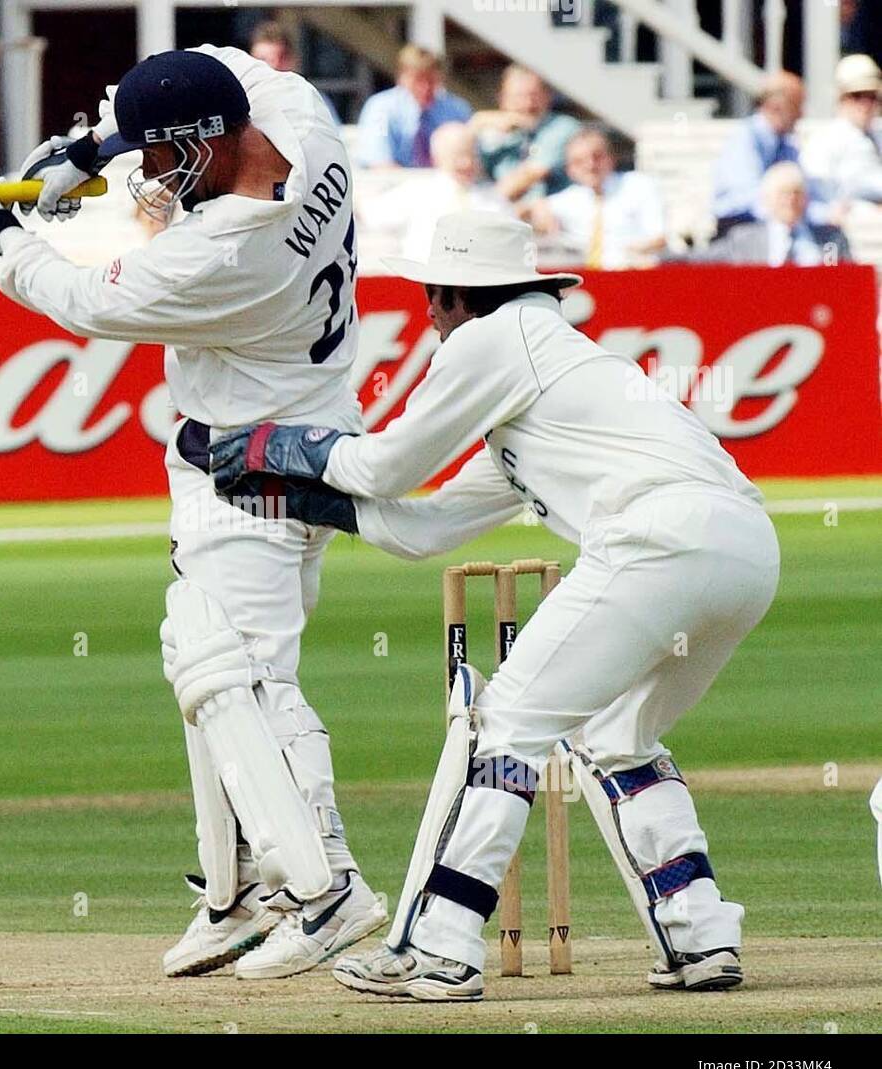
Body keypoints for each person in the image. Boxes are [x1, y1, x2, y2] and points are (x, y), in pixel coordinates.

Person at [209, 211, 780, 1001]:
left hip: (657, 539)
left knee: (504, 726)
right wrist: (307, 501)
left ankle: (441, 945)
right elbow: (429, 525)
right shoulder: (548, 377)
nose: (428, 317)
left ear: (455, 295)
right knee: (618, 735)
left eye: (432, 300)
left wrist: (279, 448)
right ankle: (701, 935)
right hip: (746, 550)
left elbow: (384, 463)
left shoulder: (496, 337)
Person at [0, 46, 386, 980]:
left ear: (202, 140)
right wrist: (94, 147)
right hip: (302, 440)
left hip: (247, 467)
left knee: (246, 681)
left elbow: (78, 298)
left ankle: (327, 883)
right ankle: (233, 895)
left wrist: (0, 235)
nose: (149, 176)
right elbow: (222, 66)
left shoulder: (223, 252)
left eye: (158, 156)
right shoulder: (308, 128)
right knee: (207, 672)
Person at [359, 122, 505, 258]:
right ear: (436, 157)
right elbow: (369, 214)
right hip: (424, 279)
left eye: (472, 155)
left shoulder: (492, 197)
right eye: (458, 156)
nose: (467, 163)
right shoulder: (417, 192)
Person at [530, 126, 666, 268]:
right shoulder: (571, 198)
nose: (590, 165)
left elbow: (658, 238)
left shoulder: (639, 185)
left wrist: (620, 256)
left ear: (612, 158)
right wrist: (539, 209)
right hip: (587, 278)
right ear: (569, 169)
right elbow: (530, 208)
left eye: (597, 157)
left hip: (633, 273)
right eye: (579, 161)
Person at [712, 71, 807, 234]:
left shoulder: (787, 146)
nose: (801, 115)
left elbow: (800, 190)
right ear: (776, 107)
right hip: (739, 230)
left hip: (775, 227)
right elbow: (748, 198)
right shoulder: (744, 138)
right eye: (797, 105)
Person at [701, 162, 849, 265]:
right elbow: (703, 259)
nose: (790, 200)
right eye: (783, 193)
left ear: (806, 199)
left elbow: (846, 280)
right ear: (767, 199)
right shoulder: (744, 240)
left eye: (796, 193)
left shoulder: (831, 240)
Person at [471, 65, 579, 202]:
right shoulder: (488, 131)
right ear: (502, 98)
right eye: (518, 97)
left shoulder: (563, 127)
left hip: (547, 212)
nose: (527, 104)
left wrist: (485, 206)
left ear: (548, 96)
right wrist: (475, 124)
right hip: (500, 209)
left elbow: (529, 175)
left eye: (534, 96)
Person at [355, 45, 471, 169]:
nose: (425, 88)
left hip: (448, 182)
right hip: (395, 184)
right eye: (418, 80)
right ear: (401, 78)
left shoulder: (456, 109)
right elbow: (379, 161)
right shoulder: (380, 109)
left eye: (431, 80)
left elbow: (472, 157)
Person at [801, 54, 882, 210]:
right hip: (850, 223)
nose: (865, 104)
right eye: (857, 96)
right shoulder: (824, 139)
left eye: (871, 96)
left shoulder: (878, 133)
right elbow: (818, 189)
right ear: (841, 98)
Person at [249, 20, 339, 124]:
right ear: (250, 61)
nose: (274, 66)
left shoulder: (313, 101)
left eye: (282, 58)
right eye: (263, 60)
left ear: (294, 59)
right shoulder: (241, 106)